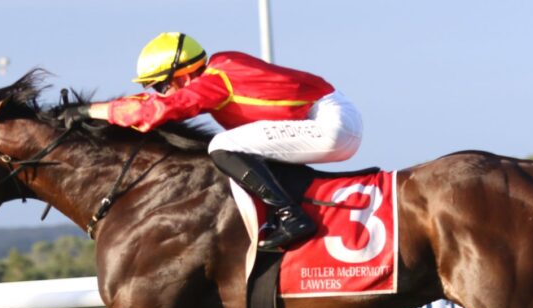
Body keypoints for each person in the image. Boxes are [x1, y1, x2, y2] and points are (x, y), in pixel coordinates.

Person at [63, 32, 363, 250]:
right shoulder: (220, 65)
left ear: (183, 76)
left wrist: (89, 111)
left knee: (222, 146)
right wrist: (99, 110)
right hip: (330, 116)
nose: (159, 93)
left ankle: (292, 216)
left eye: (161, 86)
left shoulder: (214, 82)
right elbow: (152, 103)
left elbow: (155, 112)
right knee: (244, 148)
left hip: (330, 123)